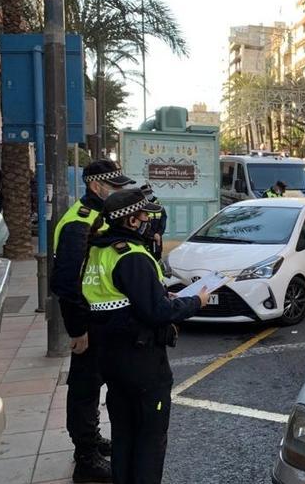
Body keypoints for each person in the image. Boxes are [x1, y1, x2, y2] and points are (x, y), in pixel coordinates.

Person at [82, 188, 209, 484]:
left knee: (124, 433)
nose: (147, 219)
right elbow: (156, 312)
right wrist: (195, 302)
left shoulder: (99, 250)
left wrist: (161, 294)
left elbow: (122, 296)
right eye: (143, 214)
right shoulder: (132, 256)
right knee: (150, 439)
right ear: (129, 220)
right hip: (141, 362)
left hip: (110, 358)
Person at [51, 159, 136, 482]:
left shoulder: (99, 215)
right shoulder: (79, 222)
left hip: (103, 319)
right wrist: (77, 328)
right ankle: (85, 456)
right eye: (114, 187)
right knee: (84, 387)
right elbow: (66, 281)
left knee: (96, 381)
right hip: (88, 322)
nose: (118, 192)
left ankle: (92, 439)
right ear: (96, 186)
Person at [140, 184, 167, 262]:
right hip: (146, 237)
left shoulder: (158, 203)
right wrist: (152, 234)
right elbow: (141, 222)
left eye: (150, 192)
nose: (149, 194)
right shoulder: (141, 205)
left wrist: (159, 233)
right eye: (147, 193)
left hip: (158, 237)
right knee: (147, 257)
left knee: (157, 257)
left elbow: (163, 219)